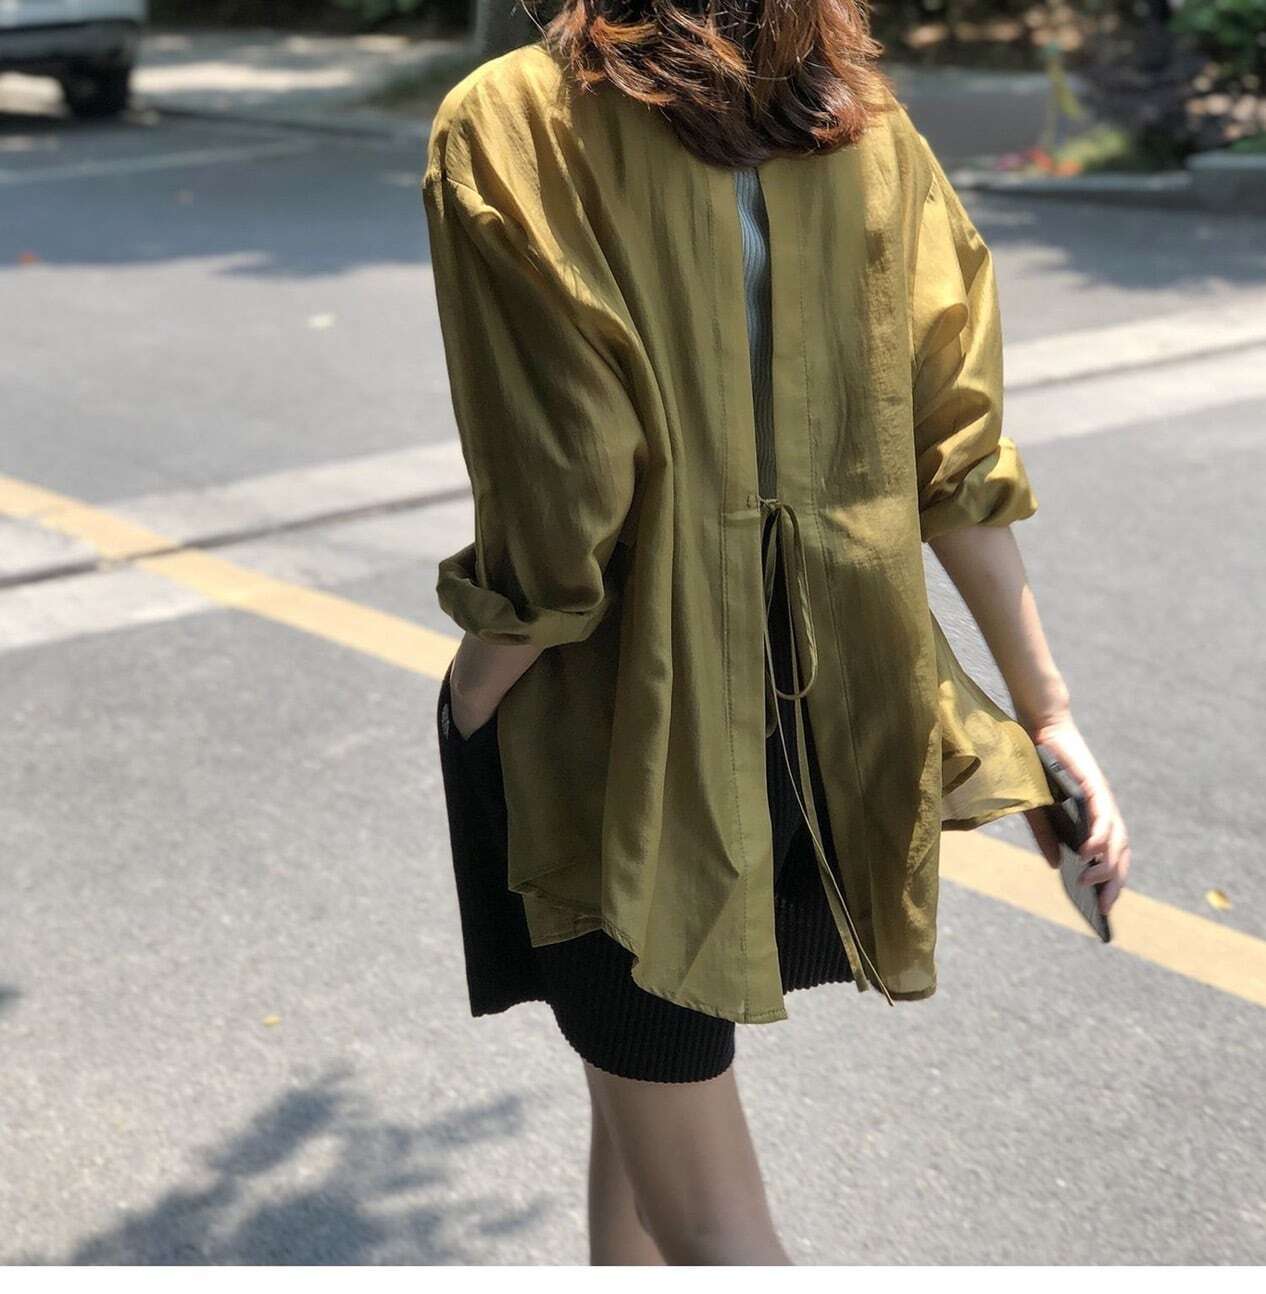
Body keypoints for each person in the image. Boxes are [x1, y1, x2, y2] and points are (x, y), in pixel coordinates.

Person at [422, 0, 1131, 1266]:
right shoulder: (860, 122)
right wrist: (1049, 711)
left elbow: (570, 484)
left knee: (710, 1215)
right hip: (825, 711)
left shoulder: (513, 120)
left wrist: (474, 687)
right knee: (638, 1088)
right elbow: (954, 450)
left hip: (621, 721)